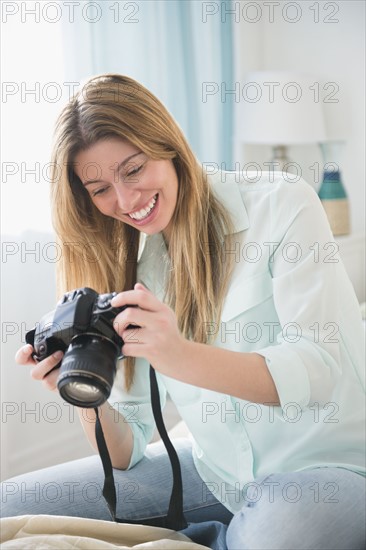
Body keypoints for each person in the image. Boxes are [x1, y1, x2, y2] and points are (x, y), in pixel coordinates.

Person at [1, 74, 365, 550]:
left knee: (277, 537)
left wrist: (177, 354)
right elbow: (127, 450)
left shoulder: (283, 204)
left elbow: (316, 369)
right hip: (216, 473)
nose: (125, 200)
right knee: (12, 505)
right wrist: (82, 392)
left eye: (132, 170)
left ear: (166, 143)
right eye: (100, 188)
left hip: (329, 469)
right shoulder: (142, 270)